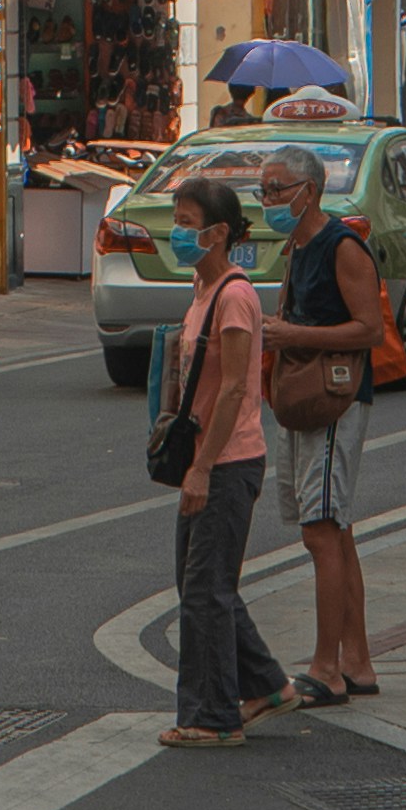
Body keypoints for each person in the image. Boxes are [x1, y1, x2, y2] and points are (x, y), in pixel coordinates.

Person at [257, 144, 388, 708]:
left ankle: (326, 667)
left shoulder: (342, 246)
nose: (268, 200)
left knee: (321, 529)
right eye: (263, 190)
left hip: (334, 400)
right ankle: (356, 660)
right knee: (336, 530)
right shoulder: (298, 246)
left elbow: (370, 330)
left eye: (277, 190)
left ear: (308, 190)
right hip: (304, 400)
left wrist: (294, 336)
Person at [164, 172, 287, 750]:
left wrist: (202, 468)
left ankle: (214, 717)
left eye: (187, 224)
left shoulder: (235, 296)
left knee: (204, 592)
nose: (177, 232)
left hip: (228, 461)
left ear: (217, 233)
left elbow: (236, 389)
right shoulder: (202, 291)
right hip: (210, 457)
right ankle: (267, 684)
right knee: (205, 585)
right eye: (177, 221)